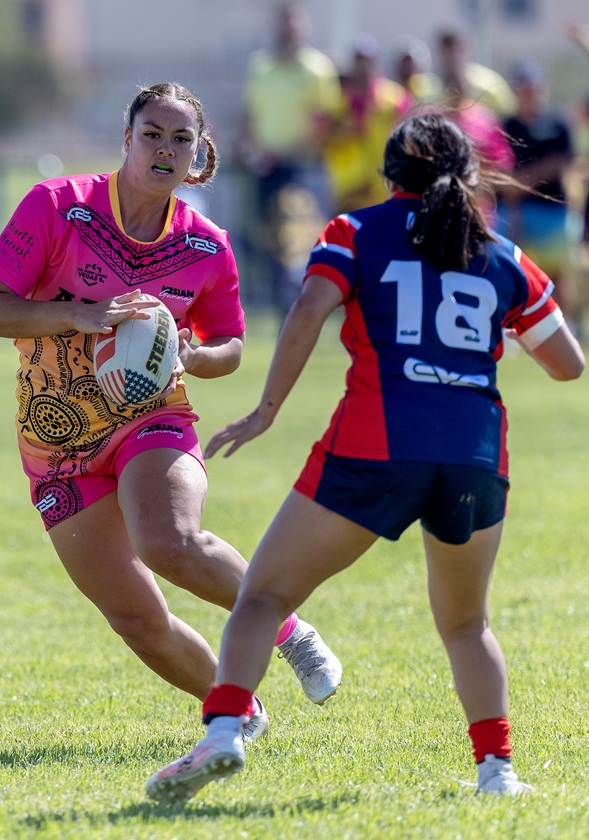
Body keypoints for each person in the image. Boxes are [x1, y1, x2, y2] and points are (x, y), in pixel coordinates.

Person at [146, 112, 585, 804]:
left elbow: (308, 311)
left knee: (263, 595)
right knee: (467, 623)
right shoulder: (501, 254)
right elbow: (568, 364)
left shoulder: (355, 232)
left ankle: (226, 728)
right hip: (474, 454)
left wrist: (266, 411)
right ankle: (497, 771)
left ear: (387, 177)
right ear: (468, 179)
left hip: (375, 445)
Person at [0, 82, 343, 741]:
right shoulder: (57, 207)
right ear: (127, 140)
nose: (165, 149)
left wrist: (194, 356)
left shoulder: (206, 246)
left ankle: (290, 632)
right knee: (135, 619)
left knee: (168, 541)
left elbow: (230, 345)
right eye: (152, 134)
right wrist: (75, 316)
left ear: (198, 154)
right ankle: (238, 711)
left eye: (181, 139)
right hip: (56, 442)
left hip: (152, 418)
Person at [237, 1, 342, 321]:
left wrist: (289, 151)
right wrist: (253, 149)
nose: (289, 32)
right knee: (271, 237)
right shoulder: (261, 67)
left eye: (294, 25)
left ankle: (309, 305)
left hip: (304, 168)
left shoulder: (318, 69)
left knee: (303, 238)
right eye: (284, 25)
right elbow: (252, 116)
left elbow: (325, 122)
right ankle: (279, 305)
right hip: (268, 169)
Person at [497, 61, 578, 329]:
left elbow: (562, 162)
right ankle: (509, 330)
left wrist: (523, 181)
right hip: (512, 212)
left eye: (533, 87)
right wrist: (514, 186)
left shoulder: (557, 123)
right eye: (523, 88)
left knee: (556, 274)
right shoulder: (506, 125)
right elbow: (499, 168)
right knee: (509, 272)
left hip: (551, 211)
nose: (529, 93)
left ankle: (563, 328)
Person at [324, 34, 413, 214]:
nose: (363, 67)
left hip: (384, 190)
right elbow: (328, 140)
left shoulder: (394, 98)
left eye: (367, 60)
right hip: (349, 192)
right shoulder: (339, 102)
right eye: (358, 60)